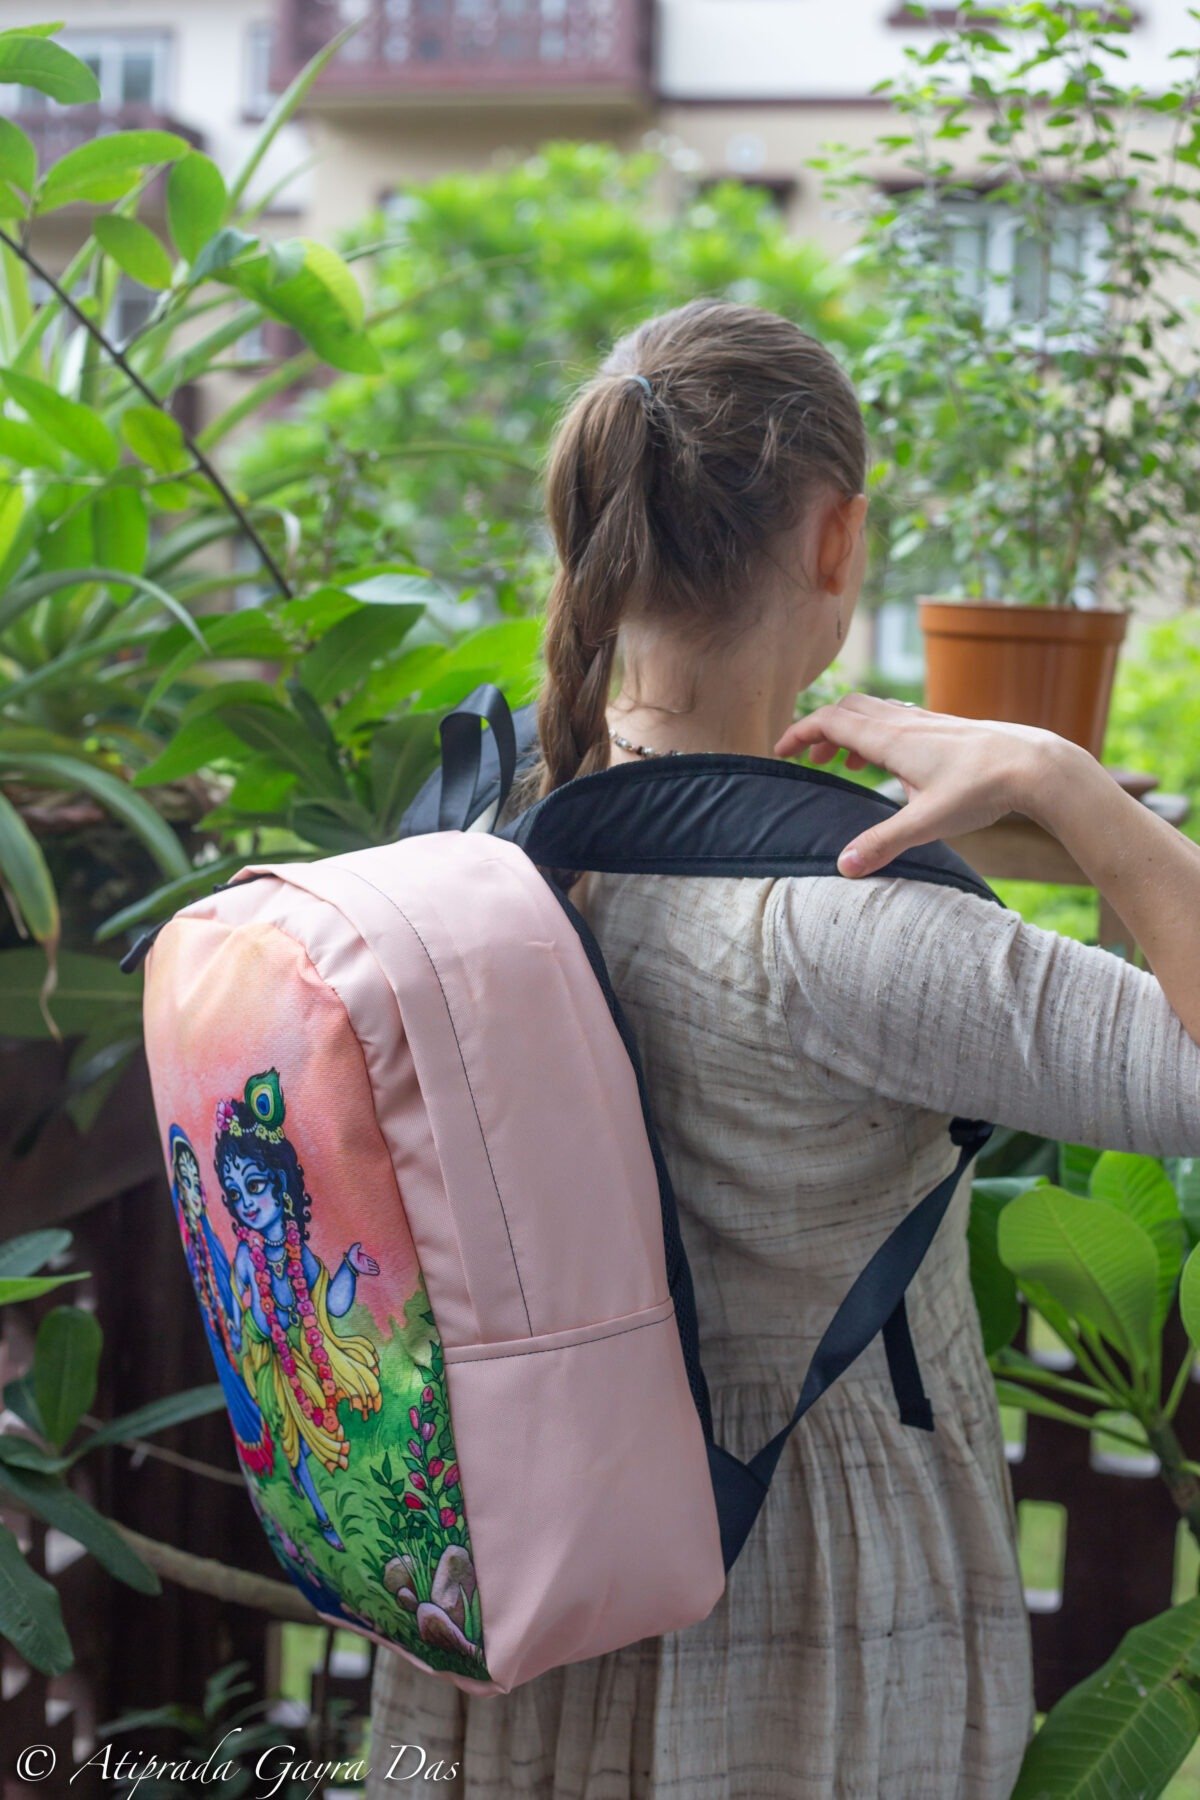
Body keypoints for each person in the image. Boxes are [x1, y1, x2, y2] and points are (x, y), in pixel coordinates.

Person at [367, 299, 1200, 1799]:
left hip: (508, 1565)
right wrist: (1073, 789)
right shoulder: (850, 928)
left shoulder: (480, 851)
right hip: (789, 1596)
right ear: (838, 542)